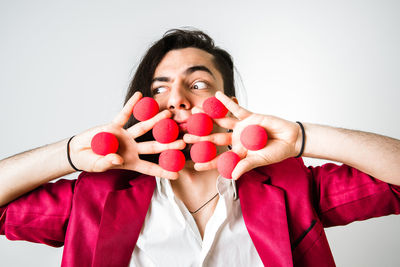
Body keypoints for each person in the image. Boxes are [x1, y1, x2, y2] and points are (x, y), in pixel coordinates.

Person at [0, 29, 399, 267]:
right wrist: (71, 152)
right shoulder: (96, 196)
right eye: (160, 87)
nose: (176, 98)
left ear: (227, 103)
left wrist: (300, 138)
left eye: (198, 84)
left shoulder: (290, 189)